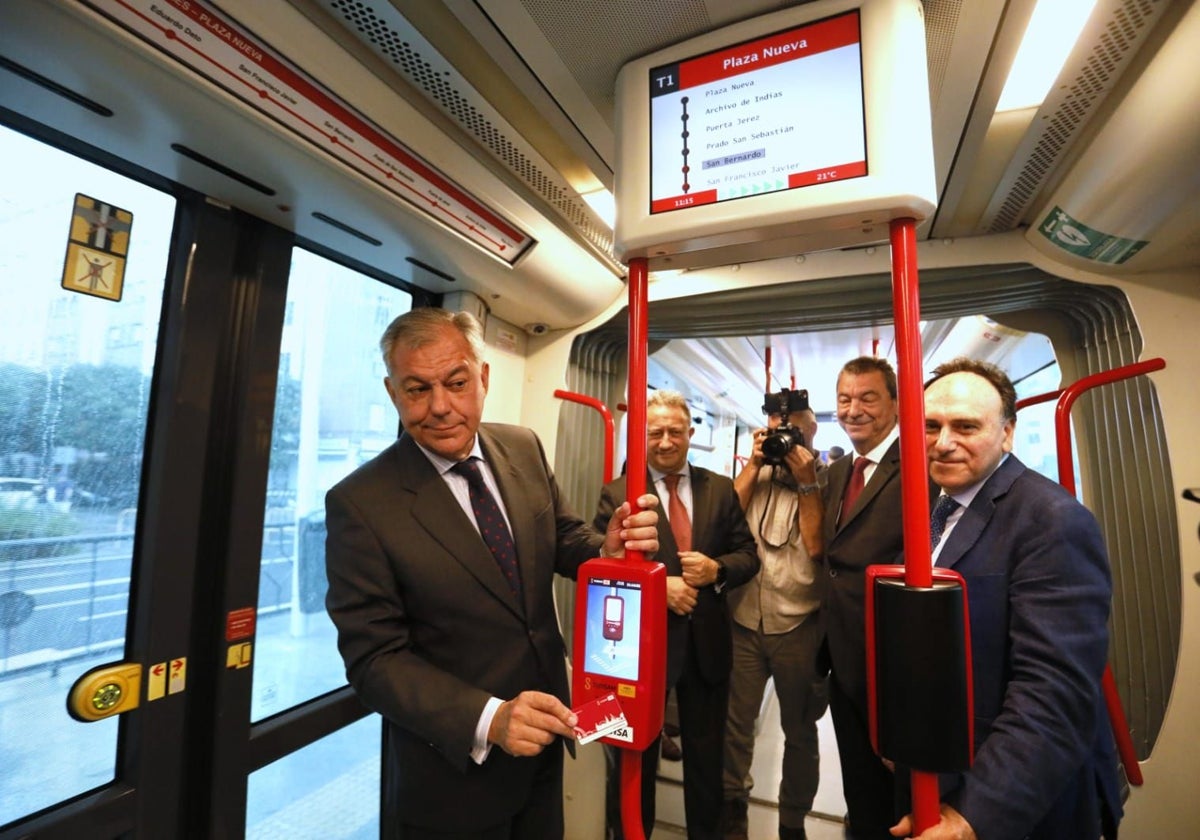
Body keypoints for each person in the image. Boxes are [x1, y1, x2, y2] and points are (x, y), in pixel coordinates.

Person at [323, 307, 660, 838]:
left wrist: (607, 547)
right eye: (417, 390)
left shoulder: (522, 446)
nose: (440, 407)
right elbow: (373, 661)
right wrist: (490, 719)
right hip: (454, 778)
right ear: (393, 393)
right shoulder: (362, 504)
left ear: (482, 377)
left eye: (456, 383)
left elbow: (562, 539)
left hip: (547, 741)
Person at [889, 357, 1122, 840]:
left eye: (966, 426)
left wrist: (975, 814)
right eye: (930, 426)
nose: (943, 442)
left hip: (1012, 795)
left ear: (1008, 433)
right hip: (942, 759)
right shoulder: (934, 504)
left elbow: (1053, 691)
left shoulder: (1051, 520)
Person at [595, 389, 760, 840]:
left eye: (674, 432)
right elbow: (599, 573)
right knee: (635, 758)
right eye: (654, 433)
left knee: (706, 759)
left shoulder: (721, 489)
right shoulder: (619, 494)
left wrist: (717, 569)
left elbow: (749, 556)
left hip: (706, 645)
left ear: (691, 433)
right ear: (640, 439)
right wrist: (655, 587)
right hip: (641, 651)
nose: (665, 442)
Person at [819, 356, 933, 838]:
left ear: (895, 402)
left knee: (904, 800)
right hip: (844, 661)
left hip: (893, 666)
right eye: (845, 399)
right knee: (861, 792)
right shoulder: (838, 470)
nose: (854, 410)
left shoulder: (921, 464)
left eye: (868, 397)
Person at [721, 398, 828, 840]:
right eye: (775, 433)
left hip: (799, 623)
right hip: (744, 618)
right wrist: (753, 464)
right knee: (735, 725)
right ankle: (732, 806)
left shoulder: (827, 478)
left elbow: (818, 546)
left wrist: (805, 482)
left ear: (812, 434)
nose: (784, 442)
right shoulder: (754, 474)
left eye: (793, 435)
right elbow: (721, 517)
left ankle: (792, 819)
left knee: (799, 730)